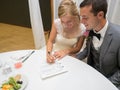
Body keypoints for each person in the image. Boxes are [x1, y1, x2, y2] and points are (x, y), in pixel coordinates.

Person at [76, 0, 120, 89]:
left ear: (100, 15)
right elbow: (87, 50)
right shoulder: (89, 29)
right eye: (81, 17)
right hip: (91, 75)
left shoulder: (118, 36)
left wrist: (105, 86)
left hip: (110, 82)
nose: (82, 22)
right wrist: (74, 58)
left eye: (85, 17)